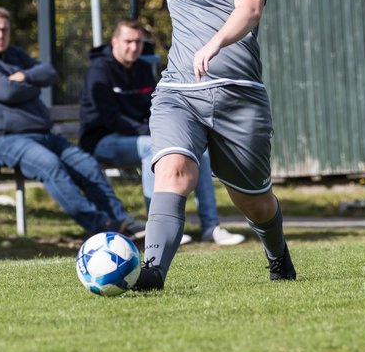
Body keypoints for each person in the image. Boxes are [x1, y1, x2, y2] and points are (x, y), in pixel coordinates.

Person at [133, 0, 295, 291]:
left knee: (253, 201)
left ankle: (278, 256)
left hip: (238, 96)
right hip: (178, 93)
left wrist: (216, 43)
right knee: (172, 171)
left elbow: (250, 9)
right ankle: (152, 272)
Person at [0, 6, 146, 239]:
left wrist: (24, 78)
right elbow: (7, 92)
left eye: (4, 30)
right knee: (50, 164)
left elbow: (49, 73)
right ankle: (103, 225)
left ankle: (124, 222)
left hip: (41, 134)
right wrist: (30, 87)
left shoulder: (15, 55)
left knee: (87, 165)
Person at [80, 19, 246, 246]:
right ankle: (157, 228)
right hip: (103, 140)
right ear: (114, 42)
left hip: (142, 135)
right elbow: (112, 119)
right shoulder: (99, 70)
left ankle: (211, 227)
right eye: (128, 41)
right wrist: (153, 132)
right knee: (153, 148)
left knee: (200, 152)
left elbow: (155, 107)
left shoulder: (141, 69)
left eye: (138, 42)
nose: (134, 47)